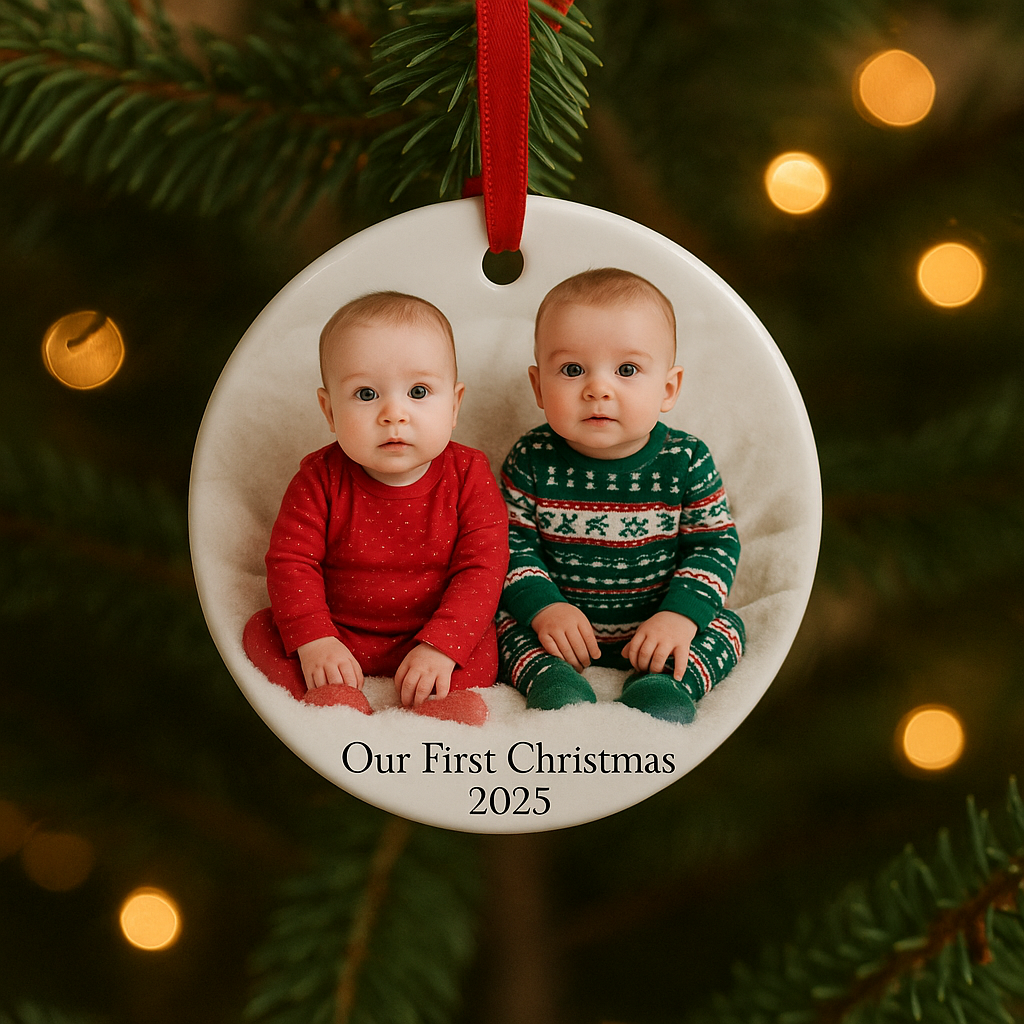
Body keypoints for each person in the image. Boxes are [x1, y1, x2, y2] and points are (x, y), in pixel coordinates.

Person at [243, 291, 509, 725]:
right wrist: (315, 638)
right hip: (340, 631)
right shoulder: (318, 478)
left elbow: (484, 567)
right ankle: (335, 698)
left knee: (481, 644)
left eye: (419, 391)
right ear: (330, 412)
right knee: (262, 631)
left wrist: (443, 645)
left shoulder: (469, 475)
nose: (394, 414)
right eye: (366, 394)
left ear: (455, 404)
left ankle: (442, 704)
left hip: (432, 630)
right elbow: (291, 561)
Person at [497, 268, 744, 722]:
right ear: (538, 386)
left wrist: (679, 617)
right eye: (572, 370)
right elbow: (510, 545)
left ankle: (666, 684)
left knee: (729, 628)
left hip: (658, 624)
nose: (598, 388)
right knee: (499, 625)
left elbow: (715, 545)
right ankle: (550, 678)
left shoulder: (685, 459)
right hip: (558, 633)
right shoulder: (531, 458)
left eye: (627, 369)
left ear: (667, 389)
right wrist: (544, 607)